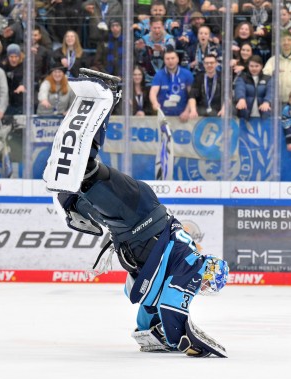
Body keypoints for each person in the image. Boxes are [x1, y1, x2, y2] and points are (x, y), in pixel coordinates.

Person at [50, 71, 229, 357]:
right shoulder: (195, 265)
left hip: (134, 229)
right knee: (88, 173)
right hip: (140, 214)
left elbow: (148, 313)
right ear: (210, 270)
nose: (202, 286)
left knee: (83, 182)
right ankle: (109, 96)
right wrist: (179, 340)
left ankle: (72, 198)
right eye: (208, 282)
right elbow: (172, 304)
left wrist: (155, 334)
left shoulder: (180, 264)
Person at [149, 47, 194, 120]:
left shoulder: (187, 74)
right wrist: (154, 103)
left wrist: (187, 111)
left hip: (183, 116)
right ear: (164, 60)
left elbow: (192, 95)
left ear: (177, 59)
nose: (170, 61)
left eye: (172, 58)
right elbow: (153, 92)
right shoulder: (159, 75)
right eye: (167, 59)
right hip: (164, 116)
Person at [234, 55, 272, 120]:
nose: (254, 68)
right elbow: (239, 88)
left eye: (256, 66)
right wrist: (241, 99)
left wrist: (267, 102)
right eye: (251, 66)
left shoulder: (268, 79)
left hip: (264, 116)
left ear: (261, 66)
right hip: (245, 116)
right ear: (248, 67)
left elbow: (271, 91)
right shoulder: (242, 78)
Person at [188, 52, 223, 117]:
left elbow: (228, 96)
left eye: (212, 63)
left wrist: (224, 109)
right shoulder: (199, 77)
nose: (209, 65)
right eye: (207, 63)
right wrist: (193, 110)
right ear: (204, 65)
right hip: (202, 108)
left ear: (216, 64)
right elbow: (192, 95)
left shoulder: (222, 77)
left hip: (218, 109)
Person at [0, 43, 25, 116]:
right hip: (7, 99)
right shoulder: (3, 65)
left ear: (19, 56)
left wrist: (23, 84)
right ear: (8, 56)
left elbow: (30, 77)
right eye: (11, 57)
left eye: (16, 57)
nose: (14, 59)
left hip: (20, 99)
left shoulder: (24, 65)